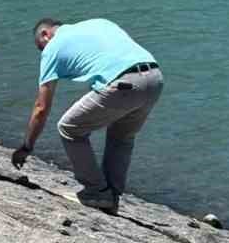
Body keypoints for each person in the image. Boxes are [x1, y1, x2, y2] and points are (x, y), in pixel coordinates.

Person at [10, 18, 163, 213]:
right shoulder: (99, 23)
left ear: (45, 34)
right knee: (121, 137)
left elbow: (41, 107)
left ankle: (97, 191)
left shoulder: (52, 47)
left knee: (69, 128)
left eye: (41, 48)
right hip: (155, 78)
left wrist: (27, 145)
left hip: (124, 83)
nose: (43, 53)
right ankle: (111, 197)